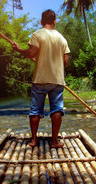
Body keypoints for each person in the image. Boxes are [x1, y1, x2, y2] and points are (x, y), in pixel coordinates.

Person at [12, 9, 70, 148]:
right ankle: (54, 141)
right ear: (55, 21)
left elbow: (31, 53)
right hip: (57, 80)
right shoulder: (62, 39)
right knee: (57, 110)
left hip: (40, 79)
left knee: (35, 110)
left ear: (41, 22)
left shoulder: (37, 35)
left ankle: (33, 140)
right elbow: (65, 61)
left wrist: (18, 49)